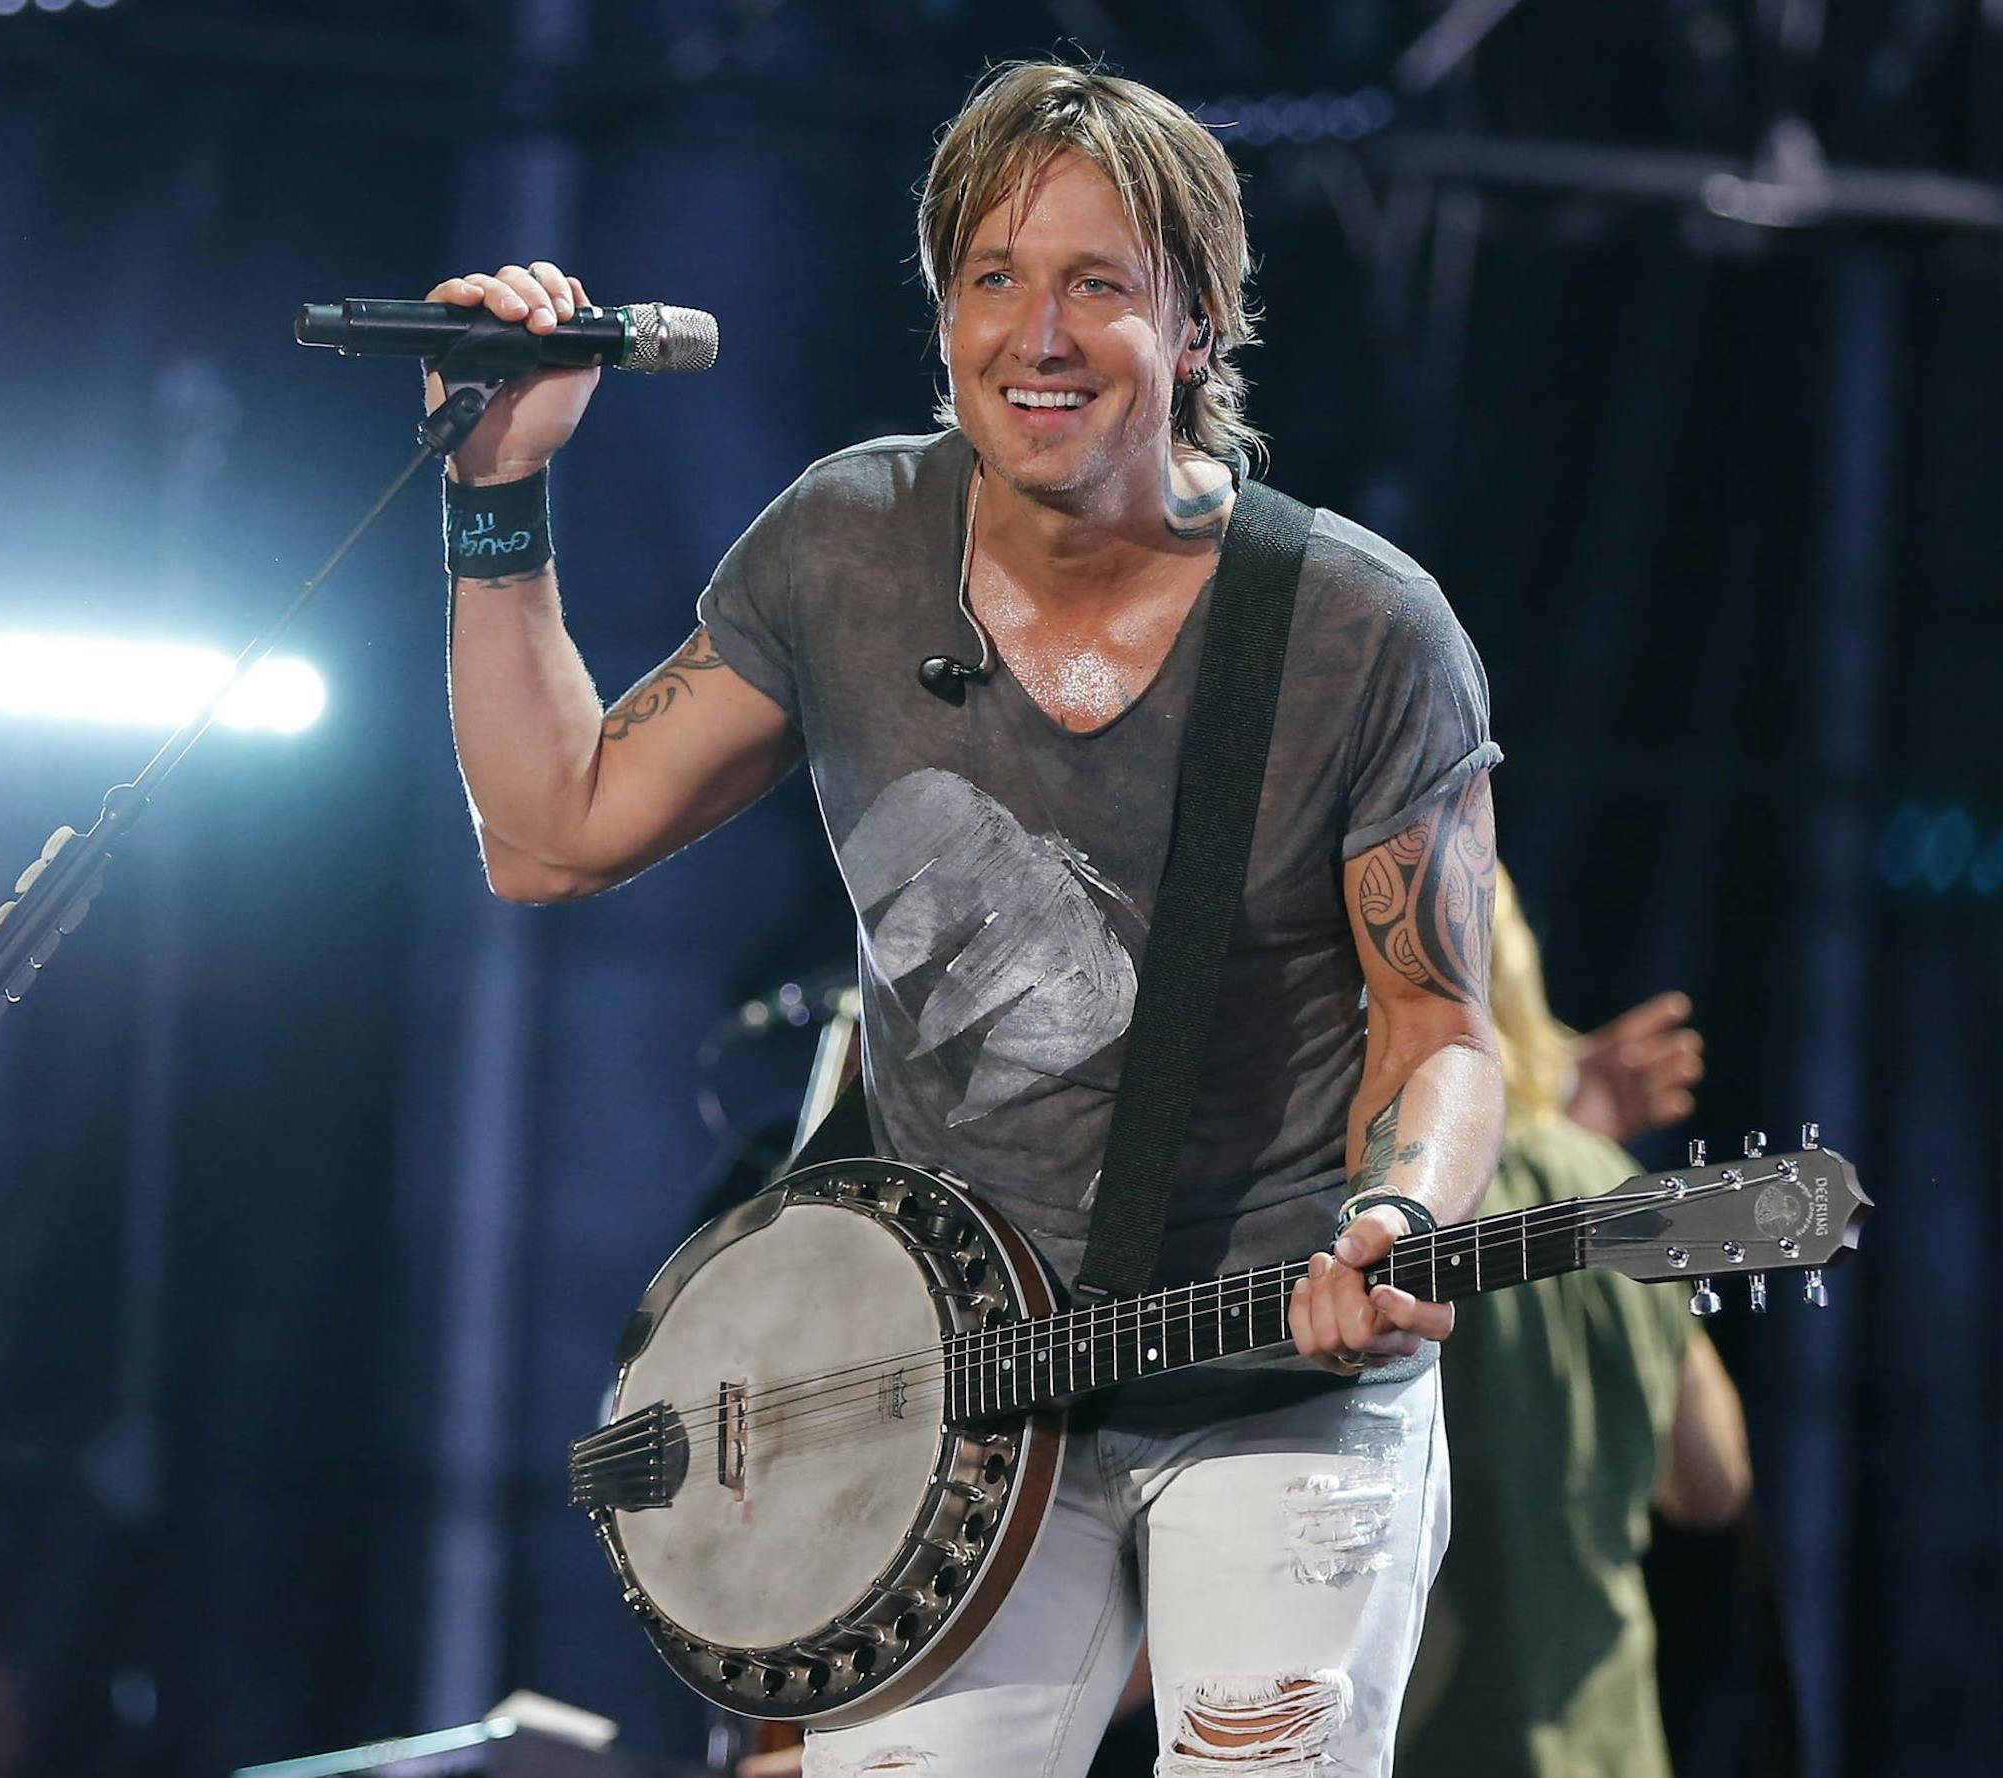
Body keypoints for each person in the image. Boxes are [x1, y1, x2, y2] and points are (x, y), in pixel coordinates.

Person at [436, 60, 1504, 1778]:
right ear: (939, 318)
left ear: (1201, 325)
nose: (1041, 332)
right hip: (959, 1397)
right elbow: (549, 833)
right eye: (994, 280)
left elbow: (1441, 1026)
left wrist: (1398, 1212)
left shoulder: (1359, 626)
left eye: (1101, 283)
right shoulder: (845, 548)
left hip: (1276, 1368)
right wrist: (498, 490)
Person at [1394, 866, 1750, 1778]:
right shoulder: (1612, 1195)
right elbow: (1712, 1482)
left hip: (1442, 1745)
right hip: (1616, 1747)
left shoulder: (1385, 1215)